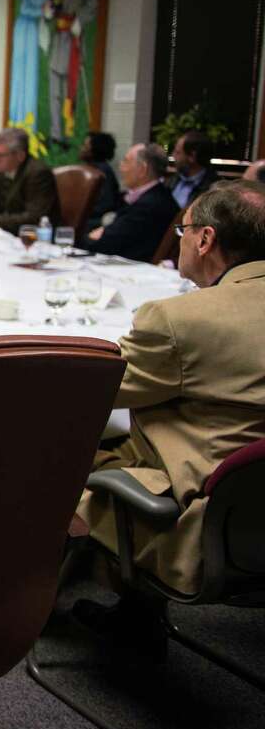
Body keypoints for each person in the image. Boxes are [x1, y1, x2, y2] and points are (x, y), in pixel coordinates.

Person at [74, 180, 265, 645]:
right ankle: (134, 613)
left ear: (205, 240)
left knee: (60, 447)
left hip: (206, 521)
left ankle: (15, 609)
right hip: (252, 507)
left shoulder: (180, 319)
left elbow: (97, 390)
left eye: (183, 230)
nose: (180, 240)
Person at [80, 143, 177, 262]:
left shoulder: (150, 205)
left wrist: (93, 236)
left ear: (142, 170)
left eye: (126, 161)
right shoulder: (155, 196)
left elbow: (104, 244)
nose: (121, 167)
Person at [46, 0, 99, 149]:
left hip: (74, 37)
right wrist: (50, 11)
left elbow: (93, 0)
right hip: (59, 36)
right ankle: (55, 134)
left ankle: (70, 133)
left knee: (71, 89)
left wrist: (81, 19)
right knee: (54, 89)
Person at [0, 128, 61, 231]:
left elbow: (34, 217)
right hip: (1, 234)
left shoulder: (38, 173)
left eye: (1, 155)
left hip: (35, 235)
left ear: (20, 156)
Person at [8, 0, 55, 127]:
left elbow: (51, 3)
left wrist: (48, 11)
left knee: (31, 73)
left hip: (36, 29)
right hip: (23, 27)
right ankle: (17, 119)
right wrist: (41, 11)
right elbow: (24, 7)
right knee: (19, 73)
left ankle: (29, 122)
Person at [169, 131, 220, 209]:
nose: (173, 156)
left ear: (192, 156)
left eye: (178, 152)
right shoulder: (172, 180)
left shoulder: (213, 191)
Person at [79, 131, 120, 228]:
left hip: (95, 223)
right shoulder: (92, 168)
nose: (81, 148)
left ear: (94, 150)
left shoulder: (102, 172)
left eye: (85, 146)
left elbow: (105, 205)